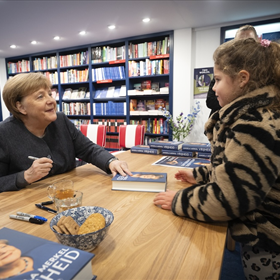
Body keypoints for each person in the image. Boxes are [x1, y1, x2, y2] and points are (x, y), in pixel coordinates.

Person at [154, 38, 280, 279]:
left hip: (269, 242)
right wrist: (200, 174)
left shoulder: (254, 125)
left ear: (243, 79)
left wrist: (180, 201)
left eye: (218, 79)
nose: (212, 88)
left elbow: (230, 198)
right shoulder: (255, 116)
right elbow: (238, 170)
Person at [0, 72, 132, 193]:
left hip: (69, 194)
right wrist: (25, 176)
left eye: (50, 94)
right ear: (20, 107)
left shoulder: (61, 120)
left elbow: (88, 149)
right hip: (25, 206)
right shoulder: (3, 133)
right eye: (40, 97)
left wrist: (111, 161)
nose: (51, 101)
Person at [206, 24, 259, 117]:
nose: (244, 46)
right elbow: (210, 101)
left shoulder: (263, 69)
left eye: (249, 41)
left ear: (257, 40)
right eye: (240, 41)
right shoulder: (225, 65)